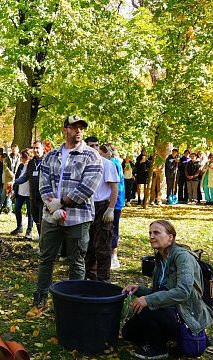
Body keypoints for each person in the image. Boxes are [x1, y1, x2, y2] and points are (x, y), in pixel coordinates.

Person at [29, 115, 103, 314]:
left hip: (78, 217)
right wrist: (51, 205)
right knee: (46, 258)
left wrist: (61, 202)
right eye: (73, 127)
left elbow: (88, 187)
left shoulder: (91, 156)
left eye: (81, 128)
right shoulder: (51, 155)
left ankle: (74, 303)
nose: (78, 131)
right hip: (51, 216)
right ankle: (40, 299)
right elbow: (43, 183)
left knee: (77, 260)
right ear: (65, 130)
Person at [122, 220, 213, 359]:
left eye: (156, 232)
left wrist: (148, 300)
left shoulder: (182, 257)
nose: (151, 236)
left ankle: (158, 349)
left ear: (170, 237)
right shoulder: (160, 259)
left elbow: (183, 292)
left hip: (185, 314)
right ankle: (162, 337)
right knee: (128, 333)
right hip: (168, 310)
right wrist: (139, 290)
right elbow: (160, 293)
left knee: (147, 311)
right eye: (150, 233)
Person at [84, 137, 118, 282]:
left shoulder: (107, 164)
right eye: (91, 145)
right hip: (86, 205)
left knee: (103, 244)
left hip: (102, 206)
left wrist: (110, 208)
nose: (95, 148)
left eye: (97, 145)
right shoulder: (82, 164)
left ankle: (103, 279)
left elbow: (114, 187)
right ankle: (89, 275)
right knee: (87, 243)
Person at [15, 140, 45, 235]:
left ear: (43, 149)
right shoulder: (31, 163)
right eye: (34, 148)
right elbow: (25, 177)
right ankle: (41, 240)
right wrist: (14, 182)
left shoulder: (47, 161)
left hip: (44, 198)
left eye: (38, 148)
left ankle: (43, 243)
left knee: (43, 221)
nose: (36, 150)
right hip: (33, 196)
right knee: (36, 220)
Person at [104, 144, 125, 270]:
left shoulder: (112, 163)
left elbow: (115, 185)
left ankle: (114, 256)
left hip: (115, 202)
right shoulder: (115, 162)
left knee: (113, 229)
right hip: (116, 201)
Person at [11, 149, 33, 238]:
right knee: (17, 208)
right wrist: (14, 190)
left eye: (24, 158)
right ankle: (19, 227)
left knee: (30, 212)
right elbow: (17, 177)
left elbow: (25, 178)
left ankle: (29, 230)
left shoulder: (31, 166)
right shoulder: (20, 166)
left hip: (29, 193)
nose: (22, 160)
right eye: (21, 158)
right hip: (20, 192)